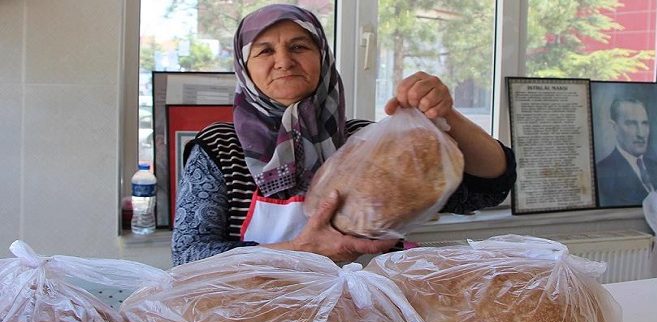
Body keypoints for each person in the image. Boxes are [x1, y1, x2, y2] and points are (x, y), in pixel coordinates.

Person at [171, 4, 517, 266]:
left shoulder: (367, 142)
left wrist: (445, 115)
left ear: (323, 57)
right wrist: (300, 251)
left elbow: (489, 188)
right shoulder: (218, 146)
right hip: (251, 316)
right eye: (264, 51)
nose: (284, 61)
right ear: (244, 68)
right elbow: (190, 256)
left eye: (299, 47)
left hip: (359, 314)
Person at [597, 98, 657, 206]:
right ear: (614, 127)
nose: (641, 134)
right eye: (631, 124)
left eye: (644, 124)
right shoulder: (602, 174)